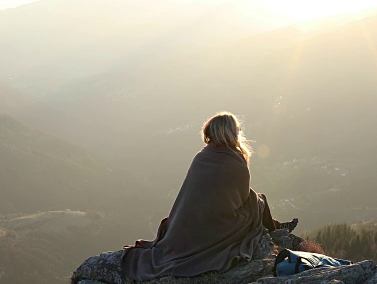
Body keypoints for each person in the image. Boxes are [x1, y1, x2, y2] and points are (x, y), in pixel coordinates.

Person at [121, 112, 298, 280]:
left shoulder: (201, 157)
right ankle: (276, 229)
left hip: (189, 225)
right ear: (230, 133)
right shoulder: (236, 162)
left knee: (256, 199)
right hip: (219, 226)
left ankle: (276, 226)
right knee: (258, 199)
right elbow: (242, 199)